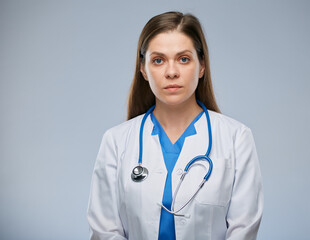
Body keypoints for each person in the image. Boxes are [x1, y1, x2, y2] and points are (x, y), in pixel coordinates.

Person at [87, 11, 263, 240]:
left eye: (183, 59)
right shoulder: (115, 141)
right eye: (158, 60)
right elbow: (104, 231)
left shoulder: (237, 138)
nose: (171, 72)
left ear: (201, 67)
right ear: (143, 69)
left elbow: (243, 229)